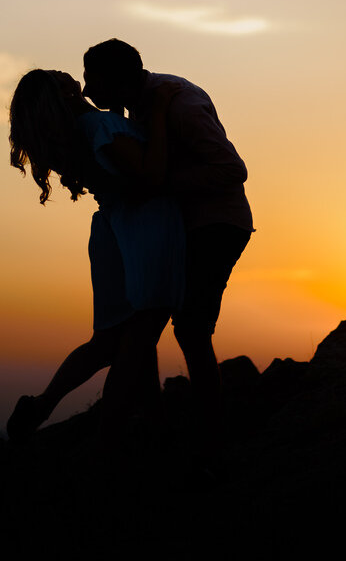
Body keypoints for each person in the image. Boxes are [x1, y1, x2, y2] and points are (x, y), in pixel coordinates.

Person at [82, 39, 253, 463]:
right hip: (189, 227)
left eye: (92, 79)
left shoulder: (178, 103)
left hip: (216, 224)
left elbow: (232, 169)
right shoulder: (142, 104)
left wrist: (158, 184)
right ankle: (173, 432)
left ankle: (211, 443)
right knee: (162, 325)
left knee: (189, 330)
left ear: (116, 78)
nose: (87, 90)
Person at [6, 68, 184, 446]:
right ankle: (111, 440)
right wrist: (157, 112)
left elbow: (113, 160)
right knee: (137, 338)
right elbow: (147, 175)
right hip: (140, 230)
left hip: (109, 231)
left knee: (109, 341)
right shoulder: (100, 126)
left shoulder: (78, 135)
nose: (66, 71)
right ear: (63, 94)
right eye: (60, 76)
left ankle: (45, 405)